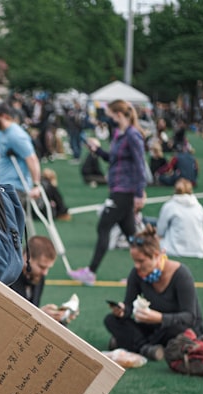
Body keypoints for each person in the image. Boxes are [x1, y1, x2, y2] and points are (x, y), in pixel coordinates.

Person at [68, 99, 147, 287]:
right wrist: (98, 151)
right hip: (119, 188)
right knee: (131, 235)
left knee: (104, 226)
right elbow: (114, 159)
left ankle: (91, 272)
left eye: (109, 115)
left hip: (124, 191)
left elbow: (140, 166)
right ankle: (147, 270)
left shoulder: (133, 136)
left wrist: (139, 193)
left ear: (118, 115)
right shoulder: (120, 134)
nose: (107, 119)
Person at [104, 224, 203, 360]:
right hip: (153, 326)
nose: (137, 266)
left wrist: (160, 318)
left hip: (176, 327)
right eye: (134, 261)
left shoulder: (181, 274)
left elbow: (190, 317)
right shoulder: (137, 274)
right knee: (111, 320)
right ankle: (146, 348)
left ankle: (133, 344)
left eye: (141, 261)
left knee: (176, 330)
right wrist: (123, 311)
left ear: (156, 255)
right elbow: (129, 306)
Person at [10, 236, 77, 324]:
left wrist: (60, 317)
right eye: (42, 267)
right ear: (26, 257)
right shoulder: (9, 278)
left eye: (48, 268)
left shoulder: (37, 277)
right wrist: (40, 315)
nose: (45, 273)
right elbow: (8, 317)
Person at [0, 103, 42, 206]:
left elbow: (32, 159)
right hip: (4, 183)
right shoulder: (1, 131)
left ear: (3, 115)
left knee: (10, 220)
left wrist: (36, 185)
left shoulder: (16, 135)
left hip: (16, 188)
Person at [156, 178, 203, 259]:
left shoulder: (170, 205)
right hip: (199, 248)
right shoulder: (199, 207)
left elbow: (160, 231)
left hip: (174, 249)